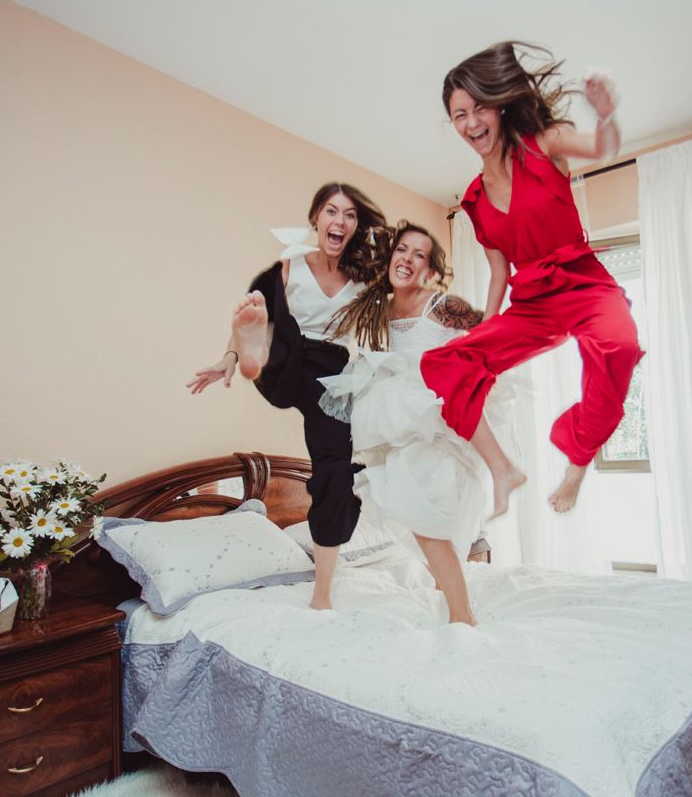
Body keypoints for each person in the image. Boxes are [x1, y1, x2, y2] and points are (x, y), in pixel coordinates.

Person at [422, 42, 644, 517]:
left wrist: (606, 116)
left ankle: (577, 453)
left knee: (619, 346)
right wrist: (485, 329)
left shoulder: (543, 143)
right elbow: (499, 271)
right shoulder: (475, 200)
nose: (471, 122)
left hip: (584, 283)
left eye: (479, 107)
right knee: (444, 363)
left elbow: (603, 147)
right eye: (459, 115)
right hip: (532, 303)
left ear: (500, 107)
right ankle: (504, 469)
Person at [187, 183, 388, 610]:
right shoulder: (286, 268)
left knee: (335, 472)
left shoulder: (364, 275)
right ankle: (254, 353)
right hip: (286, 358)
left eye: (350, 215)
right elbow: (251, 312)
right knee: (276, 328)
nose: (340, 221)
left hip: (333, 374)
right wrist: (230, 356)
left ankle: (322, 592)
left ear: (356, 225)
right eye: (332, 212)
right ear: (316, 218)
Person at [319, 221, 502, 626]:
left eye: (420, 255)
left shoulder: (443, 305)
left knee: (429, 510)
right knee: (423, 508)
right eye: (402, 249)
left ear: (430, 272)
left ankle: (461, 612)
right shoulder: (378, 309)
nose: (408, 259)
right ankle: (454, 603)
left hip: (437, 418)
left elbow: (490, 331)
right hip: (401, 423)